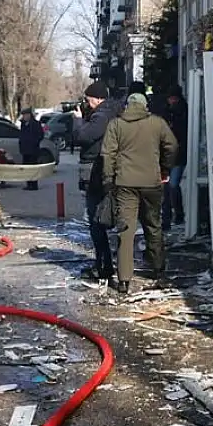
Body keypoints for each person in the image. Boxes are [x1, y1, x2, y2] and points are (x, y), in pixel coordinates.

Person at [102, 92, 178, 294]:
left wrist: (109, 180)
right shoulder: (157, 123)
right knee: (153, 225)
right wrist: (165, 168)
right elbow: (172, 146)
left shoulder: (116, 124)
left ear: (127, 105)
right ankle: (159, 271)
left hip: (125, 183)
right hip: (152, 182)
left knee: (125, 231)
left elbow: (107, 154)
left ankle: (124, 280)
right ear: (146, 105)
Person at [74, 82, 123, 284]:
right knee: (103, 218)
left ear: (97, 98)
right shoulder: (112, 113)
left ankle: (104, 266)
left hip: (97, 172)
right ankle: (107, 264)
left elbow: (82, 137)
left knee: (96, 220)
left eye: (88, 99)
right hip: (106, 171)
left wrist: (77, 121)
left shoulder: (102, 116)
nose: (86, 102)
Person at [161, 85, 189, 232]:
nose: (171, 101)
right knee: (167, 186)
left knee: (171, 185)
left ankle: (177, 214)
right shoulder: (167, 112)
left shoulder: (183, 112)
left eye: (174, 98)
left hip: (177, 155)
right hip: (169, 155)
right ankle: (169, 217)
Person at [18, 108, 43, 190]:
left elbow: (40, 135)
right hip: (25, 150)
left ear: (29, 115)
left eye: (25, 115)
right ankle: (29, 184)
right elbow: (21, 136)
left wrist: (34, 142)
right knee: (27, 168)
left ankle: (34, 185)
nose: (24, 117)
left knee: (33, 167)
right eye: (23, 115)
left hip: (33, 150)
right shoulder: (23, 124)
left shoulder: (35, 124)